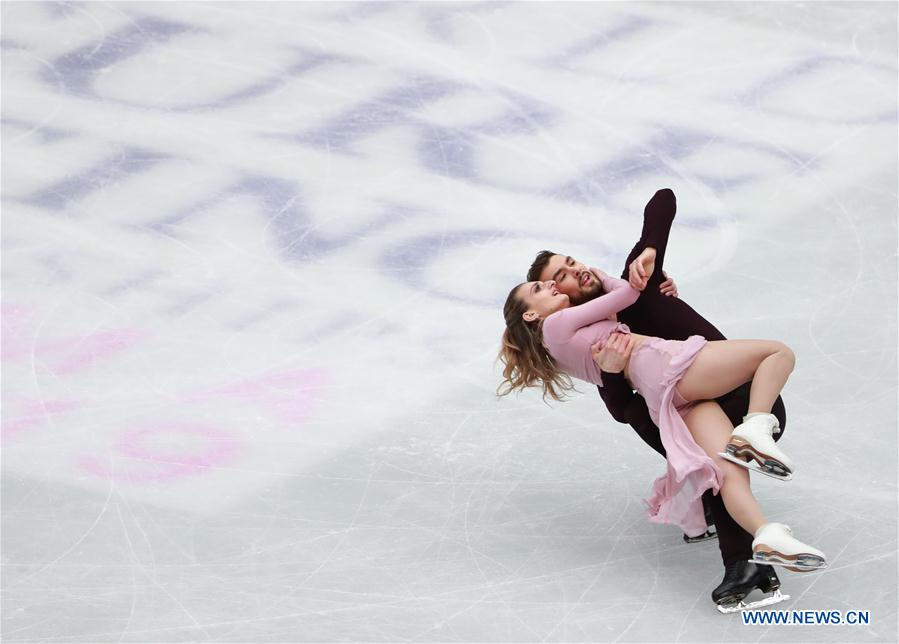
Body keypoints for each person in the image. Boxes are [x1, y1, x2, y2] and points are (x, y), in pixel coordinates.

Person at [508, 189, 823, 610]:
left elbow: (663, 200)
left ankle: (739, 505)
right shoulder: (593, 335)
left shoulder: (637, 281)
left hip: (742, 393)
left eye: (571, 263)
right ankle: (754, 554)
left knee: (717, 464)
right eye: (558, 278)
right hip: (683, 391)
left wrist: (651, 249)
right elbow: (623, 410)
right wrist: (612, 370)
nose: (574, 272)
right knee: (721, 465)